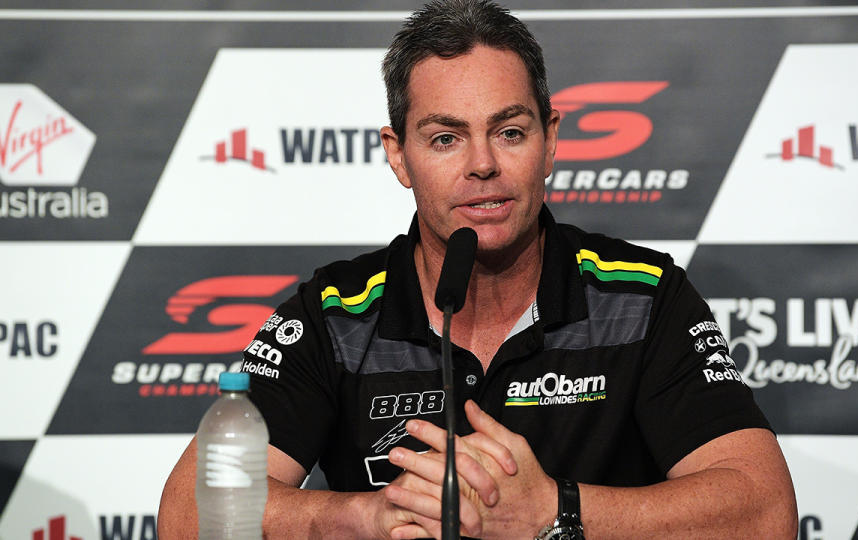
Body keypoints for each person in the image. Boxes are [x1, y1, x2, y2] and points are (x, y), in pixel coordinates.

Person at [158, 1, 798, 538]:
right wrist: (363, 516)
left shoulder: (642, 296)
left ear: (551, 140)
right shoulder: (335, 314)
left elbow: (766, 510)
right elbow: (188, 512)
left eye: (510, 132)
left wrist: (554, 510)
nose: (483, 164)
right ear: (398, 156)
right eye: (445, 138)